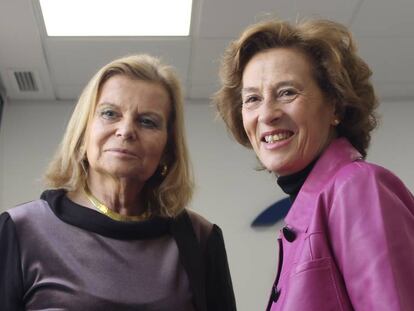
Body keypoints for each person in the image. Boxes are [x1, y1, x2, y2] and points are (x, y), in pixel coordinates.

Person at [0, 54, 236, 311]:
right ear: (83, 132)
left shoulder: (200, 238)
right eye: (110, 113)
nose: (126, 130)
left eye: (147, 121)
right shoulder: (20, 229)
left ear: (168, 148)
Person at [214, 18, 414, 311]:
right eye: (253, 98)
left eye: (287, 92)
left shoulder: (357, 188)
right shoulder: (309, 210)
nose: (267, 114)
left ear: (334, 104)